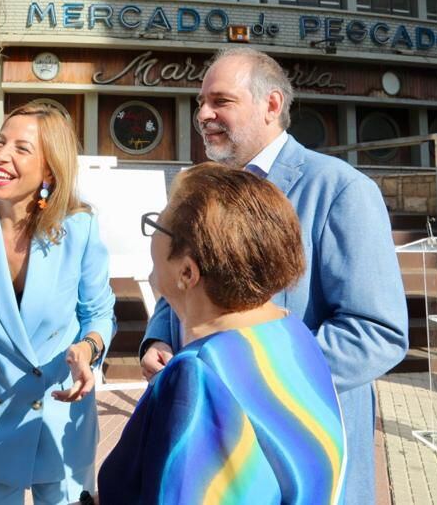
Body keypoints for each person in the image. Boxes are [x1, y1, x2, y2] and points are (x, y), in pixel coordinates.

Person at [140, 47, 407, 504]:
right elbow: (179, 281)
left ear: (271, 105)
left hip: (299, 453)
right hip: (210, 442)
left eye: (220, 101)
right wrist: (158, 339)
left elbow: (377, 332)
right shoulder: (200, 187)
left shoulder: (340, 190)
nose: (203, 114)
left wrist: (249, 376)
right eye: (201, 101)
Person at [101, 163, 346, 503]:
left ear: (187, 272)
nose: (152, 234)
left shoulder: (200, 374)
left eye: (158, 223)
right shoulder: (291, 333)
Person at [0, 103, 116, 504]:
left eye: (21, 148)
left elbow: (98, 312)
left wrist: (88, 349)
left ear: (49, 169)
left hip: (62, 414)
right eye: (0, 142)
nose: (1, 155)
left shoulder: (79, 227)